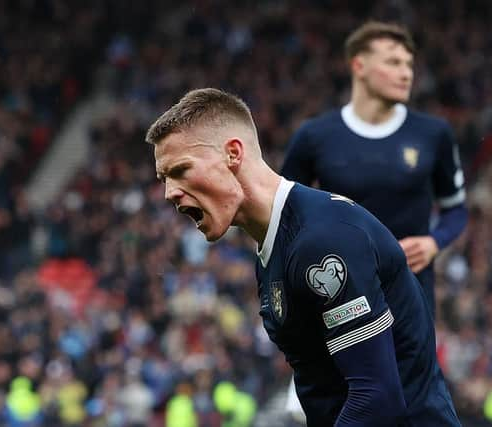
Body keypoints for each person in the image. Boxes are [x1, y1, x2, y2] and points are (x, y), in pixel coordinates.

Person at [146, 88, 461, 426]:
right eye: (165, 179)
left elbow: (378, 398)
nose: (169, 194)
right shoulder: (275, 247)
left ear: (233, 154)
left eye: (180, 170)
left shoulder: (321, 240)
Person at [281, 21, 468, 317]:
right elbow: (282, 214)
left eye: (409, 64)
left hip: (412, 298)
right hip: (339, 298)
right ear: (359, 66)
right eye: (393, 62)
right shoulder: (314, 137)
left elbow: (456, 210)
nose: (406, 73)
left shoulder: (433, 133)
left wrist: (434, 241)